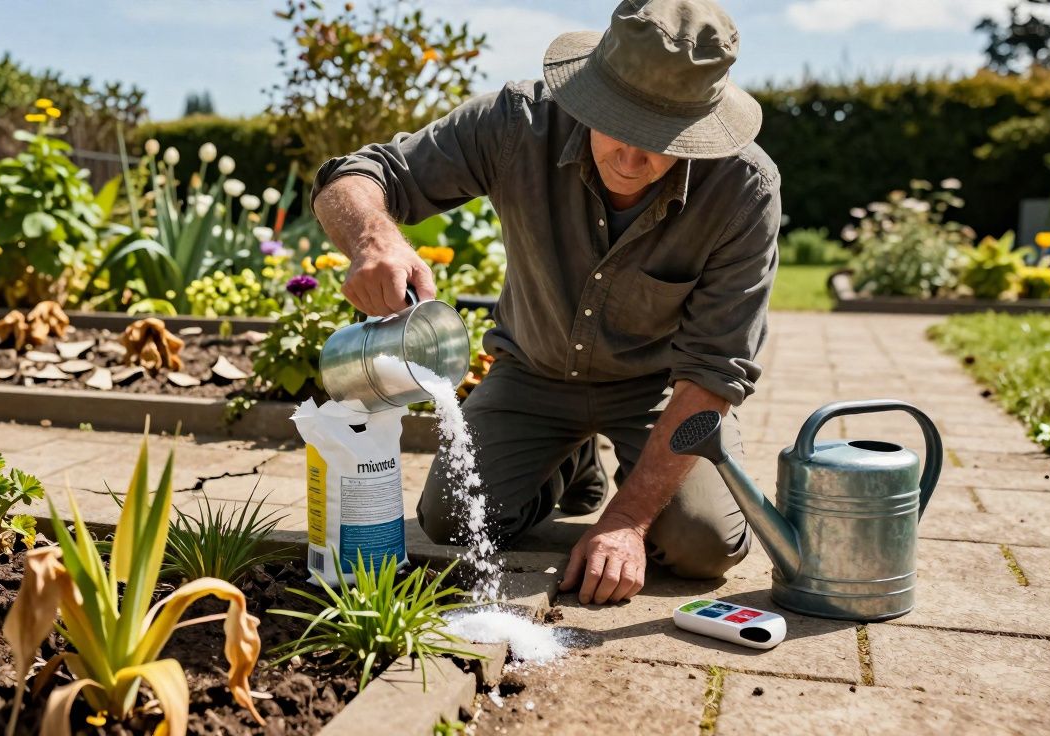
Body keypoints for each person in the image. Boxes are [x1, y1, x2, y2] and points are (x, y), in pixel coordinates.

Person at [311, 0, 779, 605]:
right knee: (450, 519)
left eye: (663, 140)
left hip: (660, 390)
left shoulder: (743, 189)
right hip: (531, 372)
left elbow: (714, 372)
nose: (635, 161)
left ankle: (609, 468)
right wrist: (375, 239)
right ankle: (569, 460)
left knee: (702, 546)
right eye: (621, 127)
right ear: (589, 97)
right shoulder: (516, 123)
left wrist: (628, 521)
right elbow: (358, 175)